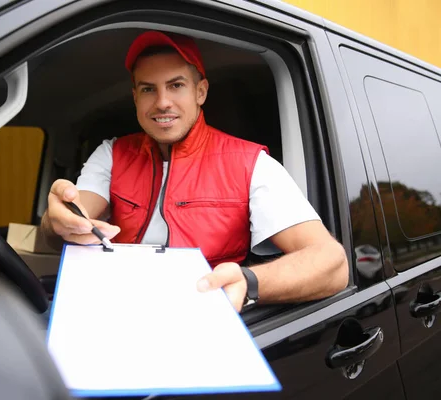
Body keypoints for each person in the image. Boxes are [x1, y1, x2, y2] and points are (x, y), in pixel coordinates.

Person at [41, 31, 348, 312]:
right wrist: (58, 219)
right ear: (135, 97)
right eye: (148, 89)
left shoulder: (251, 163)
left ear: (200, 92)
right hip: (117, 312)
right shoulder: (112, 153)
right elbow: (75, 215)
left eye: (176, 85)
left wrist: (249, 281)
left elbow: (332, 265)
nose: (162, 103)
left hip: (202, 322)